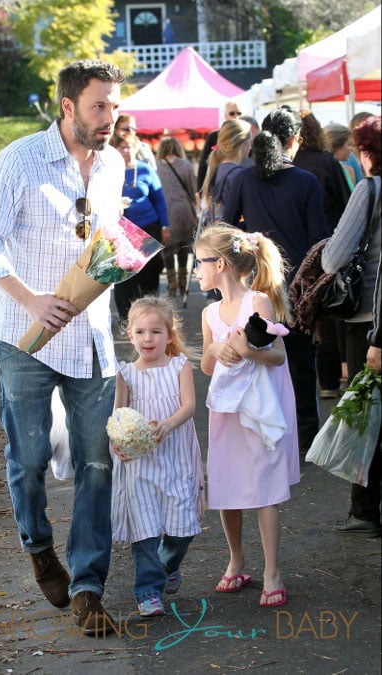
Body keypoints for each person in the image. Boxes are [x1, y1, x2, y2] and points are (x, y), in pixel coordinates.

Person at [0, 59, 127, 635]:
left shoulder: (113, 164)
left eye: (114, 104)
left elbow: (104, 238)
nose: (110, 116)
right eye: (98, 106)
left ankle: (88, 586)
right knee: (29, 460)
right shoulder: (19, 159)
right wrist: (31, 297)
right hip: (25, 334)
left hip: (90, 337)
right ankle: (38, 546)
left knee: (95, 463)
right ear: (67, 106)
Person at [195, 224, 300, 606]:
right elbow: (207, 363)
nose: (196, 271)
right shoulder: (209, 312)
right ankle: (236, 558)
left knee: (264, 485)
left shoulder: (258, 303)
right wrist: (218, 351)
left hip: (256, 408)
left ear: (219, 264)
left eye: (199, 263)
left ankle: (272, 569)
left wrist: (247, 351)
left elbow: (277, 355)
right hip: (226, 410)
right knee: (226, 486)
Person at [222, 107, 329, 454]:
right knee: (300, 364)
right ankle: (306, 439)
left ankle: (266, 436)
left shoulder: (241, 179)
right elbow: (319, 240)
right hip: (297, 287)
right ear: (294, 140)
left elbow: (226, 231)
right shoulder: (305, 181)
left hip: (255, 286)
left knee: (258, 362)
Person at [110, 296, 204, 616]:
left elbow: (189, 406)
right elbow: (119, 416)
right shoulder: (125, 373)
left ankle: (168, 565)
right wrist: (118, 445)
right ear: (130, 335)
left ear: (170, 336)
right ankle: (148, 591)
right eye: (140, 332)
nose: (148, 339)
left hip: (175, 458)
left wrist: (167, 424)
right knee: (145, 531)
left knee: (182, 529)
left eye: (155, 332)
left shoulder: (178, 367)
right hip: (140, 465)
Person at [321, 115, 381, 537]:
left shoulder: (369, 189)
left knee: (367, 416)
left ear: (367, 153)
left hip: (369, 321)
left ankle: (365, 508)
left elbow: (333, 258)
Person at [293, 110, 351, 398]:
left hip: (290, 250)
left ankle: (303, 380)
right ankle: (328, 382)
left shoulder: (283, 164)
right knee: (324, 314)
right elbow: (346, 205)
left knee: (293, 315)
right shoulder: (326, 162)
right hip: (325, 249)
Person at [110, 132, 170, 321]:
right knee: (124, 276)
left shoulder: (145, 170)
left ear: (135, 148)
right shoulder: (108, 170)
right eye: (121, 147)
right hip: (121, 230)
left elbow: (159, 200)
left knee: (149, 273)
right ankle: (126, 319)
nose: (126, 151)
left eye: (129, 146)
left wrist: (165, 225)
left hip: (148, 227)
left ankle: (152, 315)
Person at [156, 137, 198, 296]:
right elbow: (193, 189)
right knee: (182, 246)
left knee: (166, 248)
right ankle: (182, 283)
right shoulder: (185, 165)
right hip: (184, 211)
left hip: (166, 212)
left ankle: (171, 286)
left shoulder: (157, 167)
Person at [201, 118, 252, 223]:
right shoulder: (238, 175)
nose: (251, 147)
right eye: (250, 142)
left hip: (218, 234)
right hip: (233, 236)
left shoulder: (216, 169)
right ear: (242, 143)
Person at [196, 100, 242, 192]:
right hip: (218, 185)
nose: (236, 116)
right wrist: (200, 191)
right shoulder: (214, 136)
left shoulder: (244, 136)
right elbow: (203, 164)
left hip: (239, 183)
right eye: (232, 113)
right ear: (225, 115)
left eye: (239, 113)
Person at [323, 123, 356, 192]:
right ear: (336, 145)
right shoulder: (325, 173)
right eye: (349, 144)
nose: (352, 149)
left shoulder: (349, 170)